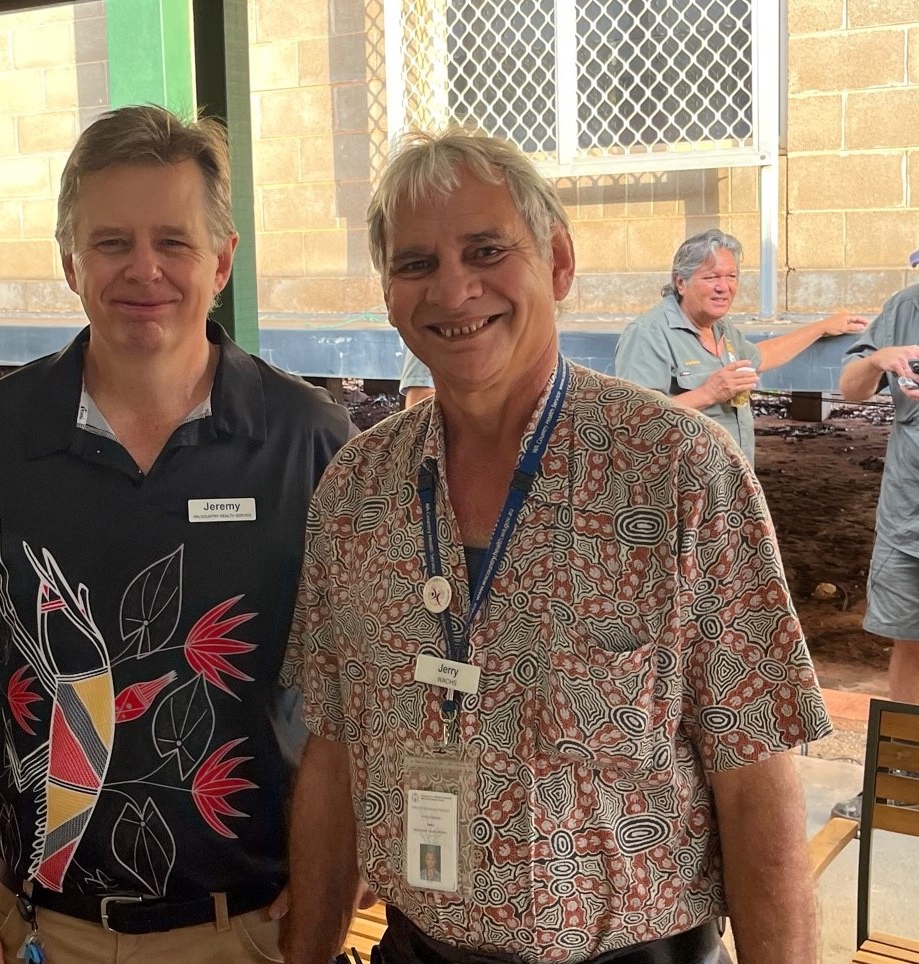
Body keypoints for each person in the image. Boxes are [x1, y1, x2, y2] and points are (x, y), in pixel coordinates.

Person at [280, 131, 833, 964]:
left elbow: (755, 781)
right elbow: (331, 752)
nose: (453, 288)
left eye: (487, 249)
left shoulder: (678, 470)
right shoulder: (357, 490)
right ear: (390, 292)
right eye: (416, 262)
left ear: (559, 263)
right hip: (417, 948)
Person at [0, 104, 354, 964]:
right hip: (37, 929)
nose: (142, 269)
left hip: (252, 932)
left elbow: (368, 687)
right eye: (111, 243)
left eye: (172, 242)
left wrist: (339, 883)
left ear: (221, 260)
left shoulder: (312, 442)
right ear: (70, 262)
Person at [614, 230, 867, 463]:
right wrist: (709, 394)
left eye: (731, 276)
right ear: (681, 282)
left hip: (730, 484)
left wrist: (821, 327)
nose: (723, 287)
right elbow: (636, 422)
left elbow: (762, 357)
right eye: (711, 277)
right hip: (680, 492)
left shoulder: (721, 329)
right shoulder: (649, 334)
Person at [830, 255, 919, 821]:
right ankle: (895, 779)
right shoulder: (905, 307)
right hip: (909, 516)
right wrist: (881, 358)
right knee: (909, 643)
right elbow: (851, 387)